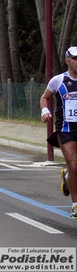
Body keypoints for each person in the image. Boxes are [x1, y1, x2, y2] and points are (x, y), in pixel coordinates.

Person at [41, 46, 77, 219]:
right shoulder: (58, 80)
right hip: (66, 129)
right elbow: (44, 97)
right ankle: (76, 205)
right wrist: (44, 111)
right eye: (75, 59)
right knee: (74, 164)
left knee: (74, 169)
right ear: (67, 61)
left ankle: (68, 176)